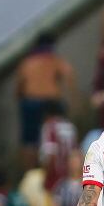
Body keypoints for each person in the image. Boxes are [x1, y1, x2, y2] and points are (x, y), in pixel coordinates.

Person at [17, 34, 75, 169]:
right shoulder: (54, 60)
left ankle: (30, 172)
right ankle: (56, 168)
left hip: (30, 101)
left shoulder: (27, 62)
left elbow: (19, 86)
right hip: (50, 101)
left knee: (30, 141)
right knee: (55, 134)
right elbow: (69, 75)